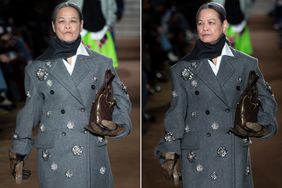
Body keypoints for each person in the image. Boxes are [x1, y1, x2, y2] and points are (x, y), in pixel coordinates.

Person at [155, 2, 278, 188]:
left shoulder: (245, 64)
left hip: (233, 148)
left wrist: (260, 125)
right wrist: (170, 152)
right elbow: (176, 113)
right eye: (200, 23)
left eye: (211, 22)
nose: (204, 28)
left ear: (224, 25)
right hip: (197, 156)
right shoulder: (181, 69)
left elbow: (266, 98)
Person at [9, 2, 132, 188]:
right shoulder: (38, 68)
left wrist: (117, 125)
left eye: (73, 21)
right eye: (62, 21)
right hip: (55, 155)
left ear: (81, 25)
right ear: (53, 26)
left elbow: (121, 99)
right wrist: (18, 152)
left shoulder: (101, 63)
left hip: (90, 149)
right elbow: (30, 111)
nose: (67, 26)